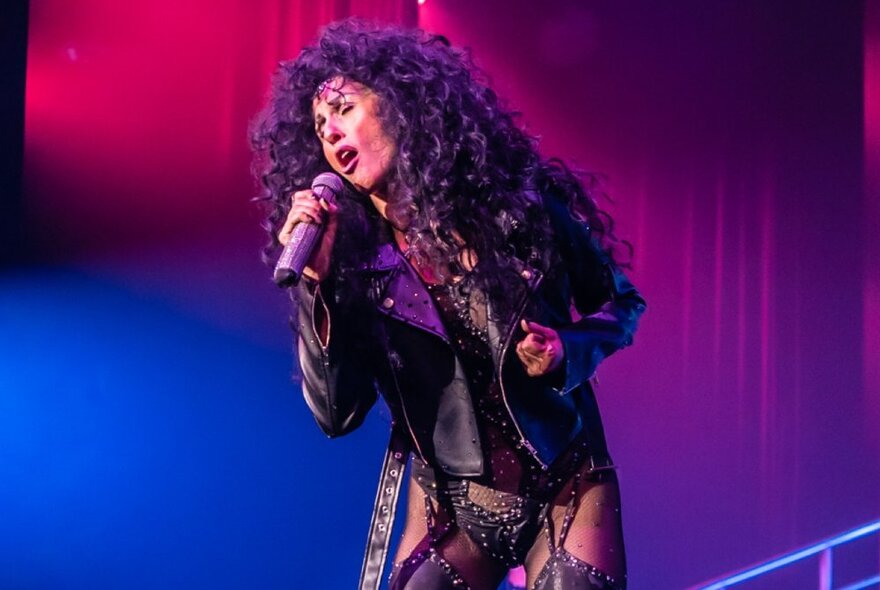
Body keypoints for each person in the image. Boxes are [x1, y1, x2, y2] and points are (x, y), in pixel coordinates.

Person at [251, 19, 645, 590]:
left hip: (564, 481)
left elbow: (621, 304)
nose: (330, 133)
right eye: (318, 124)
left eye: (343, 109)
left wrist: (569, 348)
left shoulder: (522, 210)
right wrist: (320, 285)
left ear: (401, 103)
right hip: (451, 503)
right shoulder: (356, 268)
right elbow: (338, 415)